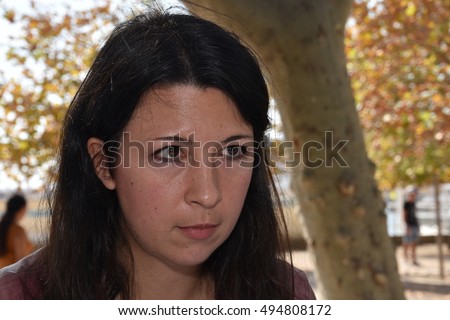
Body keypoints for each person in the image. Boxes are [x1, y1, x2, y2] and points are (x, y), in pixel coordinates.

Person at [0, 10, 315, 299]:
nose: (207, 194)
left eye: (234, 151)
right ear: (104, 164)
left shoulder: (286, 293)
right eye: (170, 153)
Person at [0, 194, 35, 269]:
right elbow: (21, 260)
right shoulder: (18, 231)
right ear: (22, 209)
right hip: (10, 275)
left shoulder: (3, 226)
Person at [402, 191, 420, 266]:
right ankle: (405, 257)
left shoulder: (413, 204)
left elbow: (415, 214)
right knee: (407, 241)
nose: (413, 197)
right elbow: (404, 215)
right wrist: (407, 225)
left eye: (414, 195)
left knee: (414, 241)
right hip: (409, 225)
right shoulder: (406, 204)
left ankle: (413, 258)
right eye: (411, 195)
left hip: (415, 224)